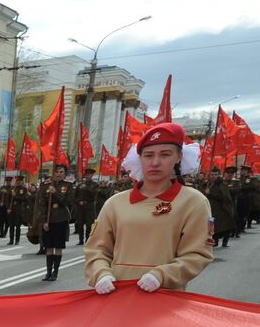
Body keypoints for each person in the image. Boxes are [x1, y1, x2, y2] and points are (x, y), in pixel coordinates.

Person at [86, 122, 212, 295]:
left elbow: (198, 254)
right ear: (140, 159)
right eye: (148, 155)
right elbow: (96, 249)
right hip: (116, 296)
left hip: (164, 297)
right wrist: (101, 274)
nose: (155, 162)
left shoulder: (193, 202)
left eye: (165, 154)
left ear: (178, 157)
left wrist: (161, 275)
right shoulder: (116, 203)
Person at [32, 162, 74, 281]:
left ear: (65, 173)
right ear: (53, 173)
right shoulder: (46, 185)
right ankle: (48, 272)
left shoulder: (68, 185)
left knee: (58, 247)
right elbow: (42, 204)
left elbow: (67, 202)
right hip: (48, 221)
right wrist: (44, 220)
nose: (59, 174)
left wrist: (55, 192)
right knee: (49, 247)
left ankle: (55, 273)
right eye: (57, 172)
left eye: (61, 172)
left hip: (61, 219)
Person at [203, 167, 237, 248]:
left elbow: (224, 197)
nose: (213, 176)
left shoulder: (222, 184)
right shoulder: (207, 183)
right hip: (210, 208)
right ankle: (214, 240)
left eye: (215, 174)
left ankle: (224, 241)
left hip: (221, 209)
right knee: (211, 225)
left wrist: (210, 194)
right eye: (211, 174)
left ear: (219, 175)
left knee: (222, 226)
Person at [73, 167, 100, 245]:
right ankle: (81, 240)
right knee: (80, 224)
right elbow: (74, 196)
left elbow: (94, 194)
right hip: (80, 207)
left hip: (89, 207)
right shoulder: (80, 185)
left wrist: (86, 188)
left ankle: (88, 239)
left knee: (89, 224)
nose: (87, 176)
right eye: (86, 174)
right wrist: (78, 202)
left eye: (89, 174)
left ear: (92, 175)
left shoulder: (95, 185)